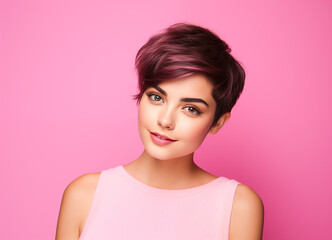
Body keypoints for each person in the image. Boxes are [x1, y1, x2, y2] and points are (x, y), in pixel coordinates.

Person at [56, 23, 264, 240]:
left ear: (217, 123)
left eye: (191, 109)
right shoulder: (84, 195)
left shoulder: (238, 206)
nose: (165, 121)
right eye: (157, 97)